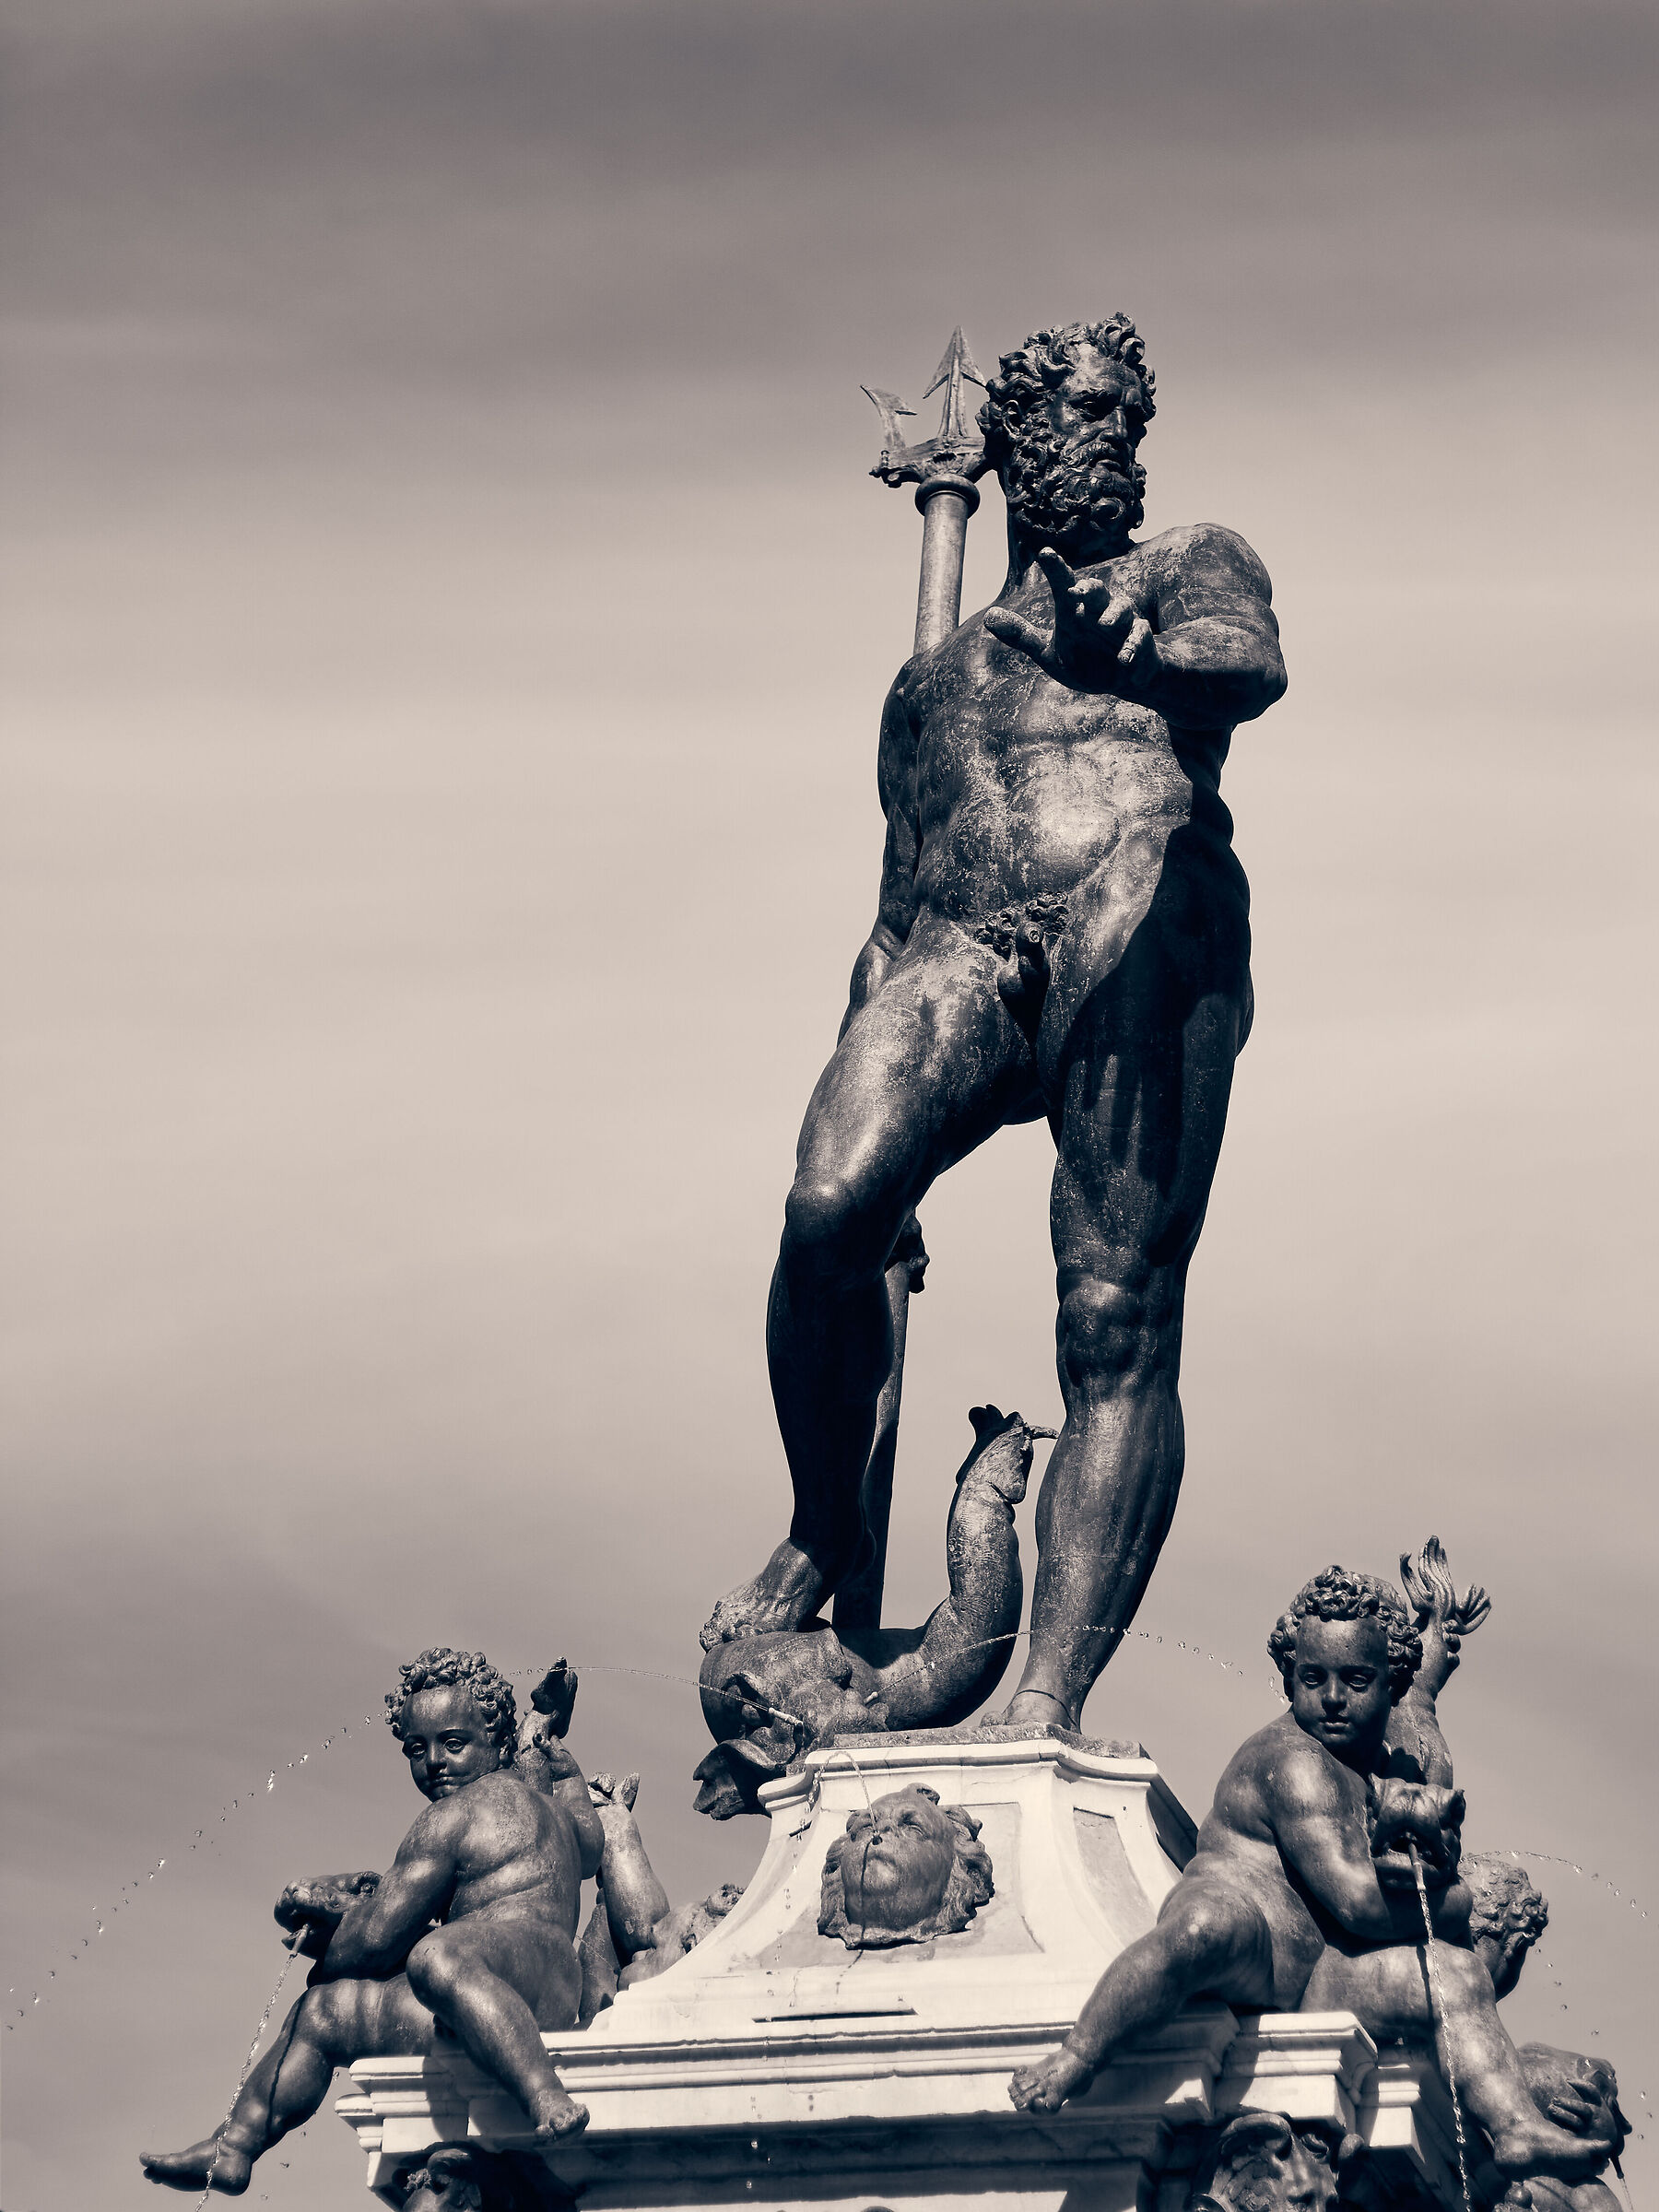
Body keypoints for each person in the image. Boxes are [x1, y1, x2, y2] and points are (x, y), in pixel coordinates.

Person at [704, 315, 1288, 1728]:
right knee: (828, 1211)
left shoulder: (1184, 565)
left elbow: (1246, 669)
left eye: (1121, 426)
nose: (1107, 452)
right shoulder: (931, 683)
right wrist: (862, 1041)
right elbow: (898, 902)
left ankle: (1047, 1696)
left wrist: (1144, 657)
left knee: (1112, 1316)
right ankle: (822, 1524)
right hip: (960, 949)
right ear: (1020, 445)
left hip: (1137, 916)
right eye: (1079, 425)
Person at [1007, 1568, 1605, 2186]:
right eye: (1312, 1679)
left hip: (1318, 1966)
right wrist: (1458, 1904)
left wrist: (1433, 1661)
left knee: (1454, 1975)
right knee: (1199, 1931)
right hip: (1252, 1929)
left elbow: (1419, 1728)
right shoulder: (1296, 1760)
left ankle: (1512, 2129)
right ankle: (1078, 2055)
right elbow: (1357, 1903)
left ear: (1388, 1685)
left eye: (1357, 1681)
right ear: (1288, 1676)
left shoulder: (1371, 1749)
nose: (1333, 1699)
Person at [140, 1649, 603, 2195]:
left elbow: (377, 1937)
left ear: (499, 1741)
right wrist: (569, 1779)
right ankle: (234, 2147)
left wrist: (329, 1953)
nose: (434, 1761)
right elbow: (592, 1852)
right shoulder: (550, 1809)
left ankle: (543, 2092)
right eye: (417, 1748)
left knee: (430, 1957)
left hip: (506, 1976)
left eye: (453, 1743)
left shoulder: (451, 1816)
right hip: (545, 1984)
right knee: (325, 2014)